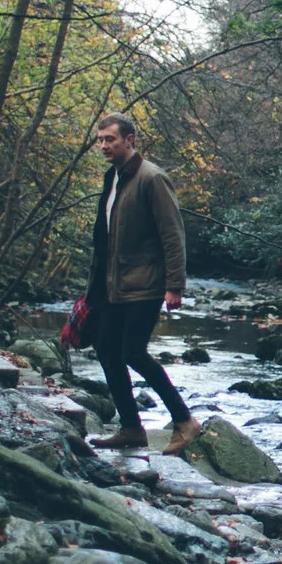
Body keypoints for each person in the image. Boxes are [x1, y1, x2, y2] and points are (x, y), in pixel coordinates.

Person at [85, 112, 198, 455]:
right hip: (113, 284)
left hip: (145, 284)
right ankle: (132, 428)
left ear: (130, 140)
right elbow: (105, 238)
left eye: (110, 140)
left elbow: (172, 235)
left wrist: (174, 285)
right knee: (106, 348)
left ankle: (185, 421)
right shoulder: (113, 177)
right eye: (100, 140)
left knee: (132, 352)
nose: (104, 145)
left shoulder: (152, 178)